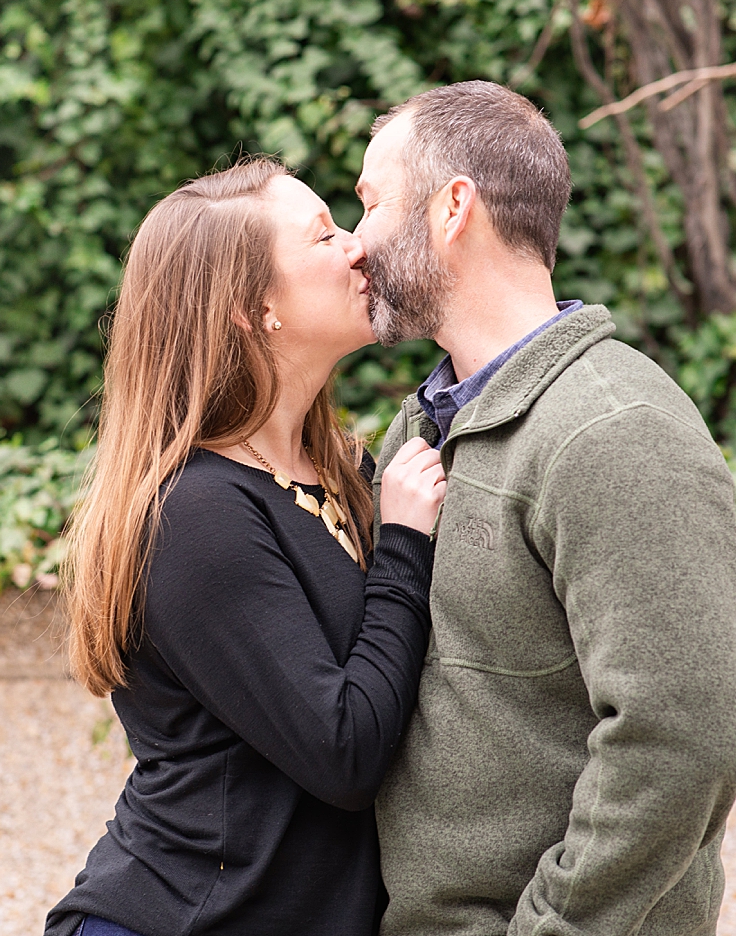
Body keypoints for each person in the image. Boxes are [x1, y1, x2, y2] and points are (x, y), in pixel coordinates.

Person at [355, 80, 736, 936]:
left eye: (370, 202)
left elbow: (680, 739)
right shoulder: (422, 429)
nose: (355, 245)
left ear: (452, 207)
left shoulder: (617, 430)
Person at [46, 158, 449, 936]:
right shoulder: (194, 515)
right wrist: (401, 544)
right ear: (254, 307)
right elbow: (345, 751)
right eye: (324, 235)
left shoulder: (340, 469)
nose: (358, 248)